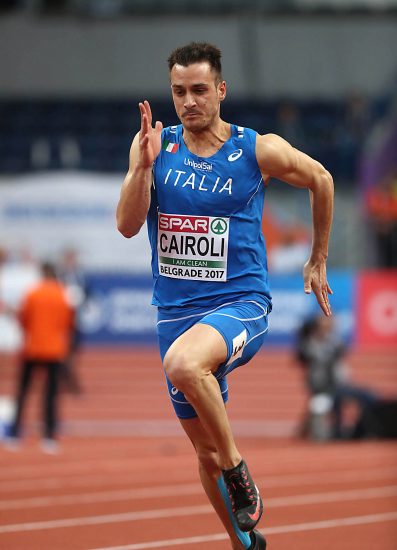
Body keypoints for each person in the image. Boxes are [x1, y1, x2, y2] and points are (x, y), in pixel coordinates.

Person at [116, 42, 334, 550]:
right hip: (174, 311)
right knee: (203, 452)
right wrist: (142, 170)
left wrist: (317, 256)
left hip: (240, 304)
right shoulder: (153, 146)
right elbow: (128, 226)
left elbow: (320, 178)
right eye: (178, 92)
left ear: (221, 90)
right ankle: (243, 542)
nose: (188, 101)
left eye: (198, 90)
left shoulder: (256, 149)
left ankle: (239, 471)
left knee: (184, 367)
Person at [6, 262, 74, 453]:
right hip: (54, 349)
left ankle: (14, 433)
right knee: (51, 395)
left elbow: (23, 319)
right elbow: (68, 322)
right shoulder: (63, 294)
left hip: (33, 348)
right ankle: (49, 436)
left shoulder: (32, 293)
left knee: (23, 392)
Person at [295, 315, 378, 440]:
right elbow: (304, 358)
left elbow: (341, 356)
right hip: (322, 386)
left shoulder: (335, 341)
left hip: (340, 385)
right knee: (333, 401)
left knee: (368, 396)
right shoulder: (310, 344)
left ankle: (361, 430)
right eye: (324, 325)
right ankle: (336, 431)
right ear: (317, 327)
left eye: (329, 325)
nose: (328, 327)